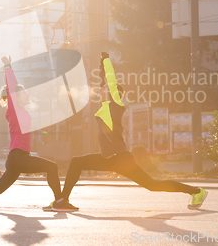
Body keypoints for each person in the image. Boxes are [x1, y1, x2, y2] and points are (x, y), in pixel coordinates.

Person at [57, 52, 208, 212]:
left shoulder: (115, 105)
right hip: (108, 158)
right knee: (76, 162)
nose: (101, 89)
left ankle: (197, 192)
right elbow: (105, 81)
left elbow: (110, 79)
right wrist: (101, 67)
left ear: (113, 93)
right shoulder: (105, 108)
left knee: (152, 185)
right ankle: (62, 200)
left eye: (105, 88)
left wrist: (106, 61)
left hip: (121, 158)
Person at [0, 56, 77, 212]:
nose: (29, 95)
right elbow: (12, 87)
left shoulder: (22, 112)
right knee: (52, 167)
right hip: (18, 157)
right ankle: (59, 201)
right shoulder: (14, 111)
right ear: (16, 97)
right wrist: (8, 67)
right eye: (26, 94)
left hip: (18, 158)